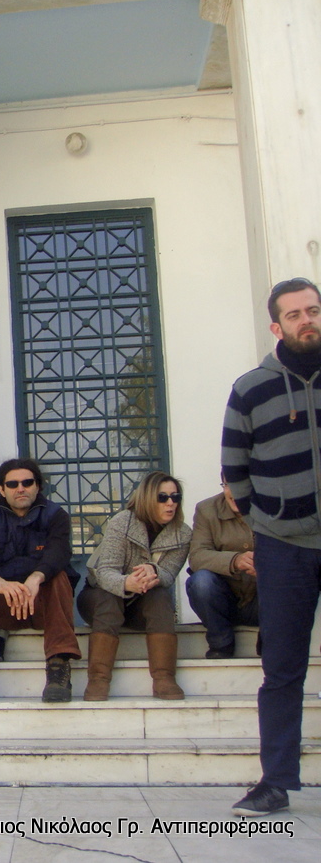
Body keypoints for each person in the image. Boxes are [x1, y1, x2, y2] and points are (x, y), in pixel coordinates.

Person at [223, 276, 321, 816]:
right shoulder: (252, 388)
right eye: (295, 314)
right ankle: (276, 781)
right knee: (282, 666)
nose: (306, 320)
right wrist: (270, 517)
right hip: (284, 545)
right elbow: (235, 471)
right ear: (276, 325)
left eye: (313, 310)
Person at [0, 458, 79, 703]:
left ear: (37, 486)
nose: (20, 488)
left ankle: (58, 666)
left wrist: (36, 578)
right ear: (2, 489)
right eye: (12, 484)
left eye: (27, 482)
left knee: (59, 576)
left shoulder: (56, 516)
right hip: (2, 606)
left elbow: (59, 552)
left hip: (41, 605)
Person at [77, 471, 191, 703]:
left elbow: (170, 573)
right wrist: (127, 582)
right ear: (149, 498)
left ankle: (164, 678)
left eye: (175, 497)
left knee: (159, 596)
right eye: (163, 497)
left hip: (143, 605)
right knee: (110, 598)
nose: (171, 503)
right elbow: (105, 571)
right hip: (99, 598)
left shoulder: (183, 533)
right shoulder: (123, 522)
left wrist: (154, 572)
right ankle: (98, 680)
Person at [186, 476, 257, 659]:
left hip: (263, 602)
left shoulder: (274, 506)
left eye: (240, 484)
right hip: (225, 600)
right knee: (200, 582)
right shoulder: (206, 509)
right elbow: (197, 556)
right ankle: (221, 644)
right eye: (228, 484)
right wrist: (235, 561)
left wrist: (268, 565)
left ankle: (272, 641)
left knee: (288, 576)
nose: (233, 492)